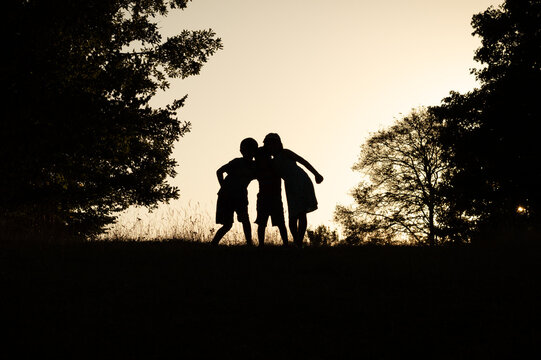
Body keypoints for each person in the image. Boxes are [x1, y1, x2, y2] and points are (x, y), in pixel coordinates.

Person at [264, 133, 323, 247]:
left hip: (301, 181)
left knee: (301, 213)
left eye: (272, 144)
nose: (270, 147)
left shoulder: (285, 152)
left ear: (278, 144)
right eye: (268, 145)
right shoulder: (271, 162)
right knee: (292, 216)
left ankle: (298, 242)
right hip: (290, 186)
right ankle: (297, 242)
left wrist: (316, 174)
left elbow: (302, 161)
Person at [211, 138, 258, 246]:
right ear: (242, 151)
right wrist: (224, 187)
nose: (249, 153)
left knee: (245, 220)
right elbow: (219, 171)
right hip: (227, 195)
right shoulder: (237, 162)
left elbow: (261, 174)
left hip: (240, 195)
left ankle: (249, 244)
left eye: (251, 151)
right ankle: (213, 244)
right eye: (246, 150)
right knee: (228, 224)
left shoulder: (254, 166)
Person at [254, 140, 289, 247]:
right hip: (266, 197)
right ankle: (261, 245)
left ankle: (285, 244)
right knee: (262, 223)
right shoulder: (260, 166)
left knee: (278, 223)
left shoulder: (275, 164)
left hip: (274, 197)